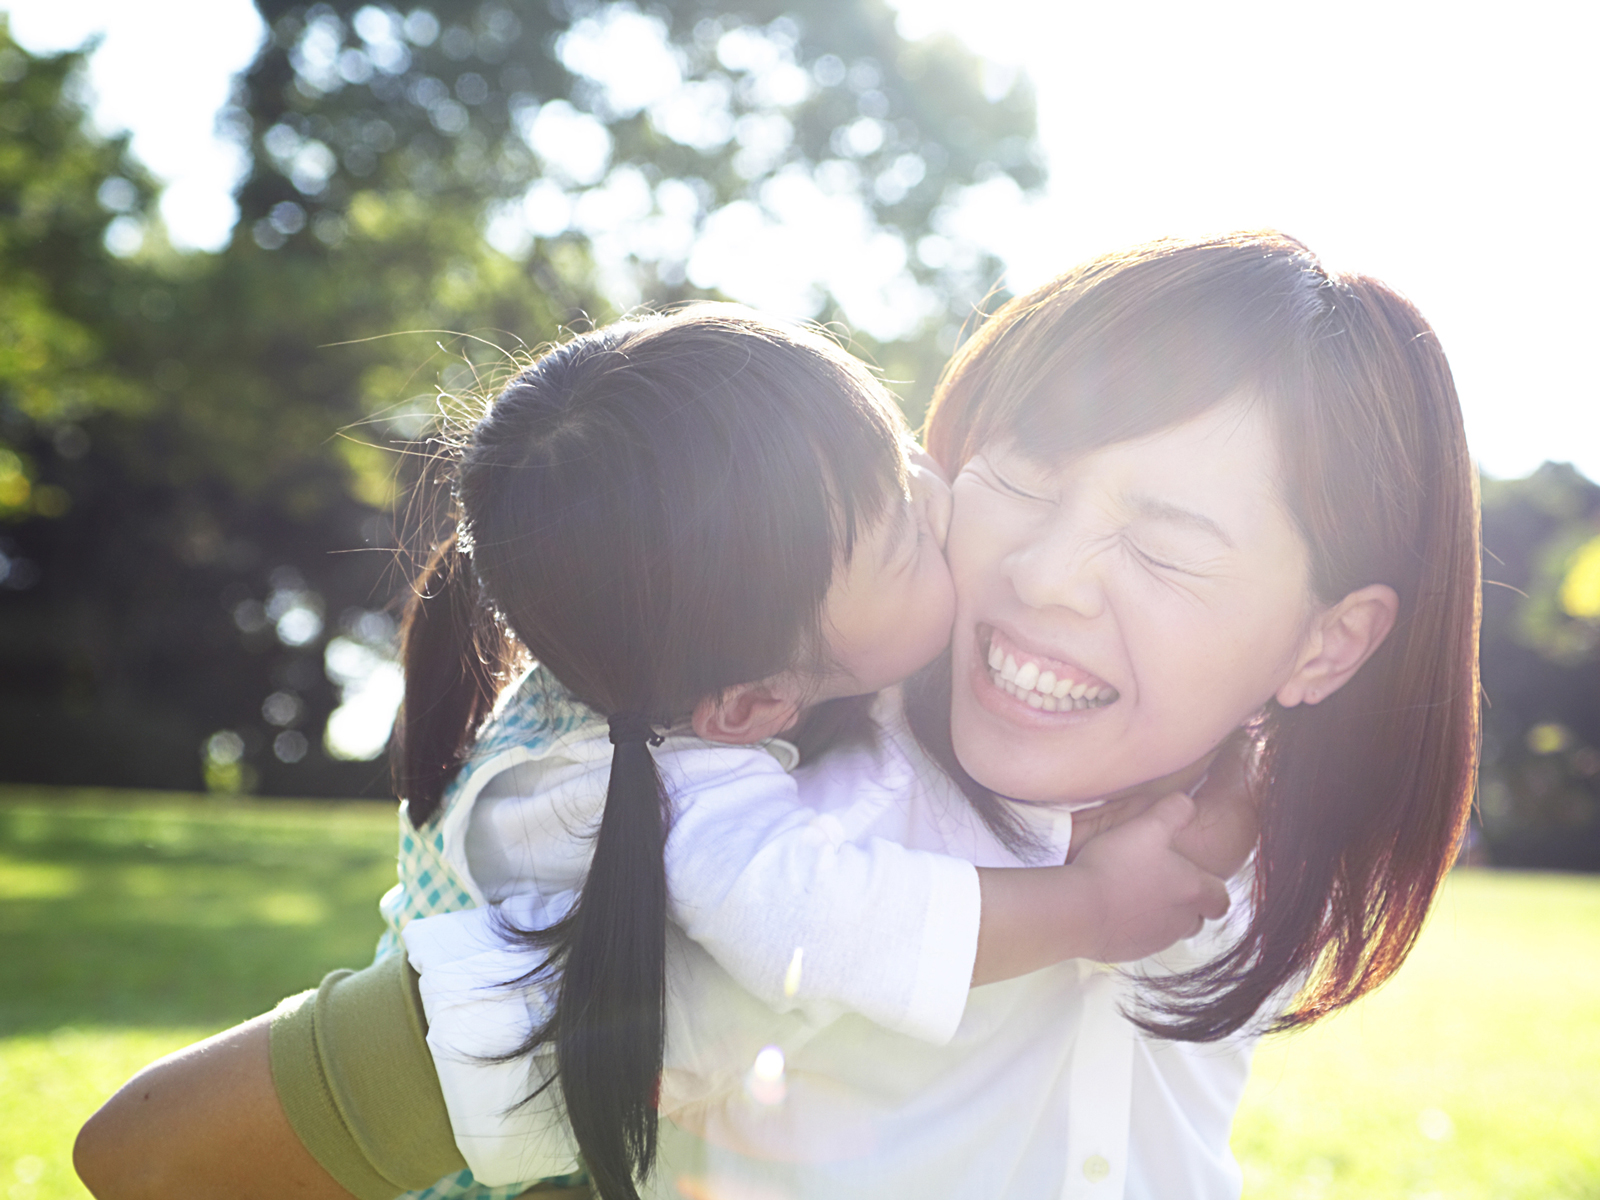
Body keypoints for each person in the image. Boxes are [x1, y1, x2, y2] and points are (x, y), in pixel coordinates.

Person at [75, 231, 1480, 1200]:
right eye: (1024, 480)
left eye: (1167, 548)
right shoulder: (778, 870)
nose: (1046, 575)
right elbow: (149, 1155)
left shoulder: (1234, 839)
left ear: (1329, 645)